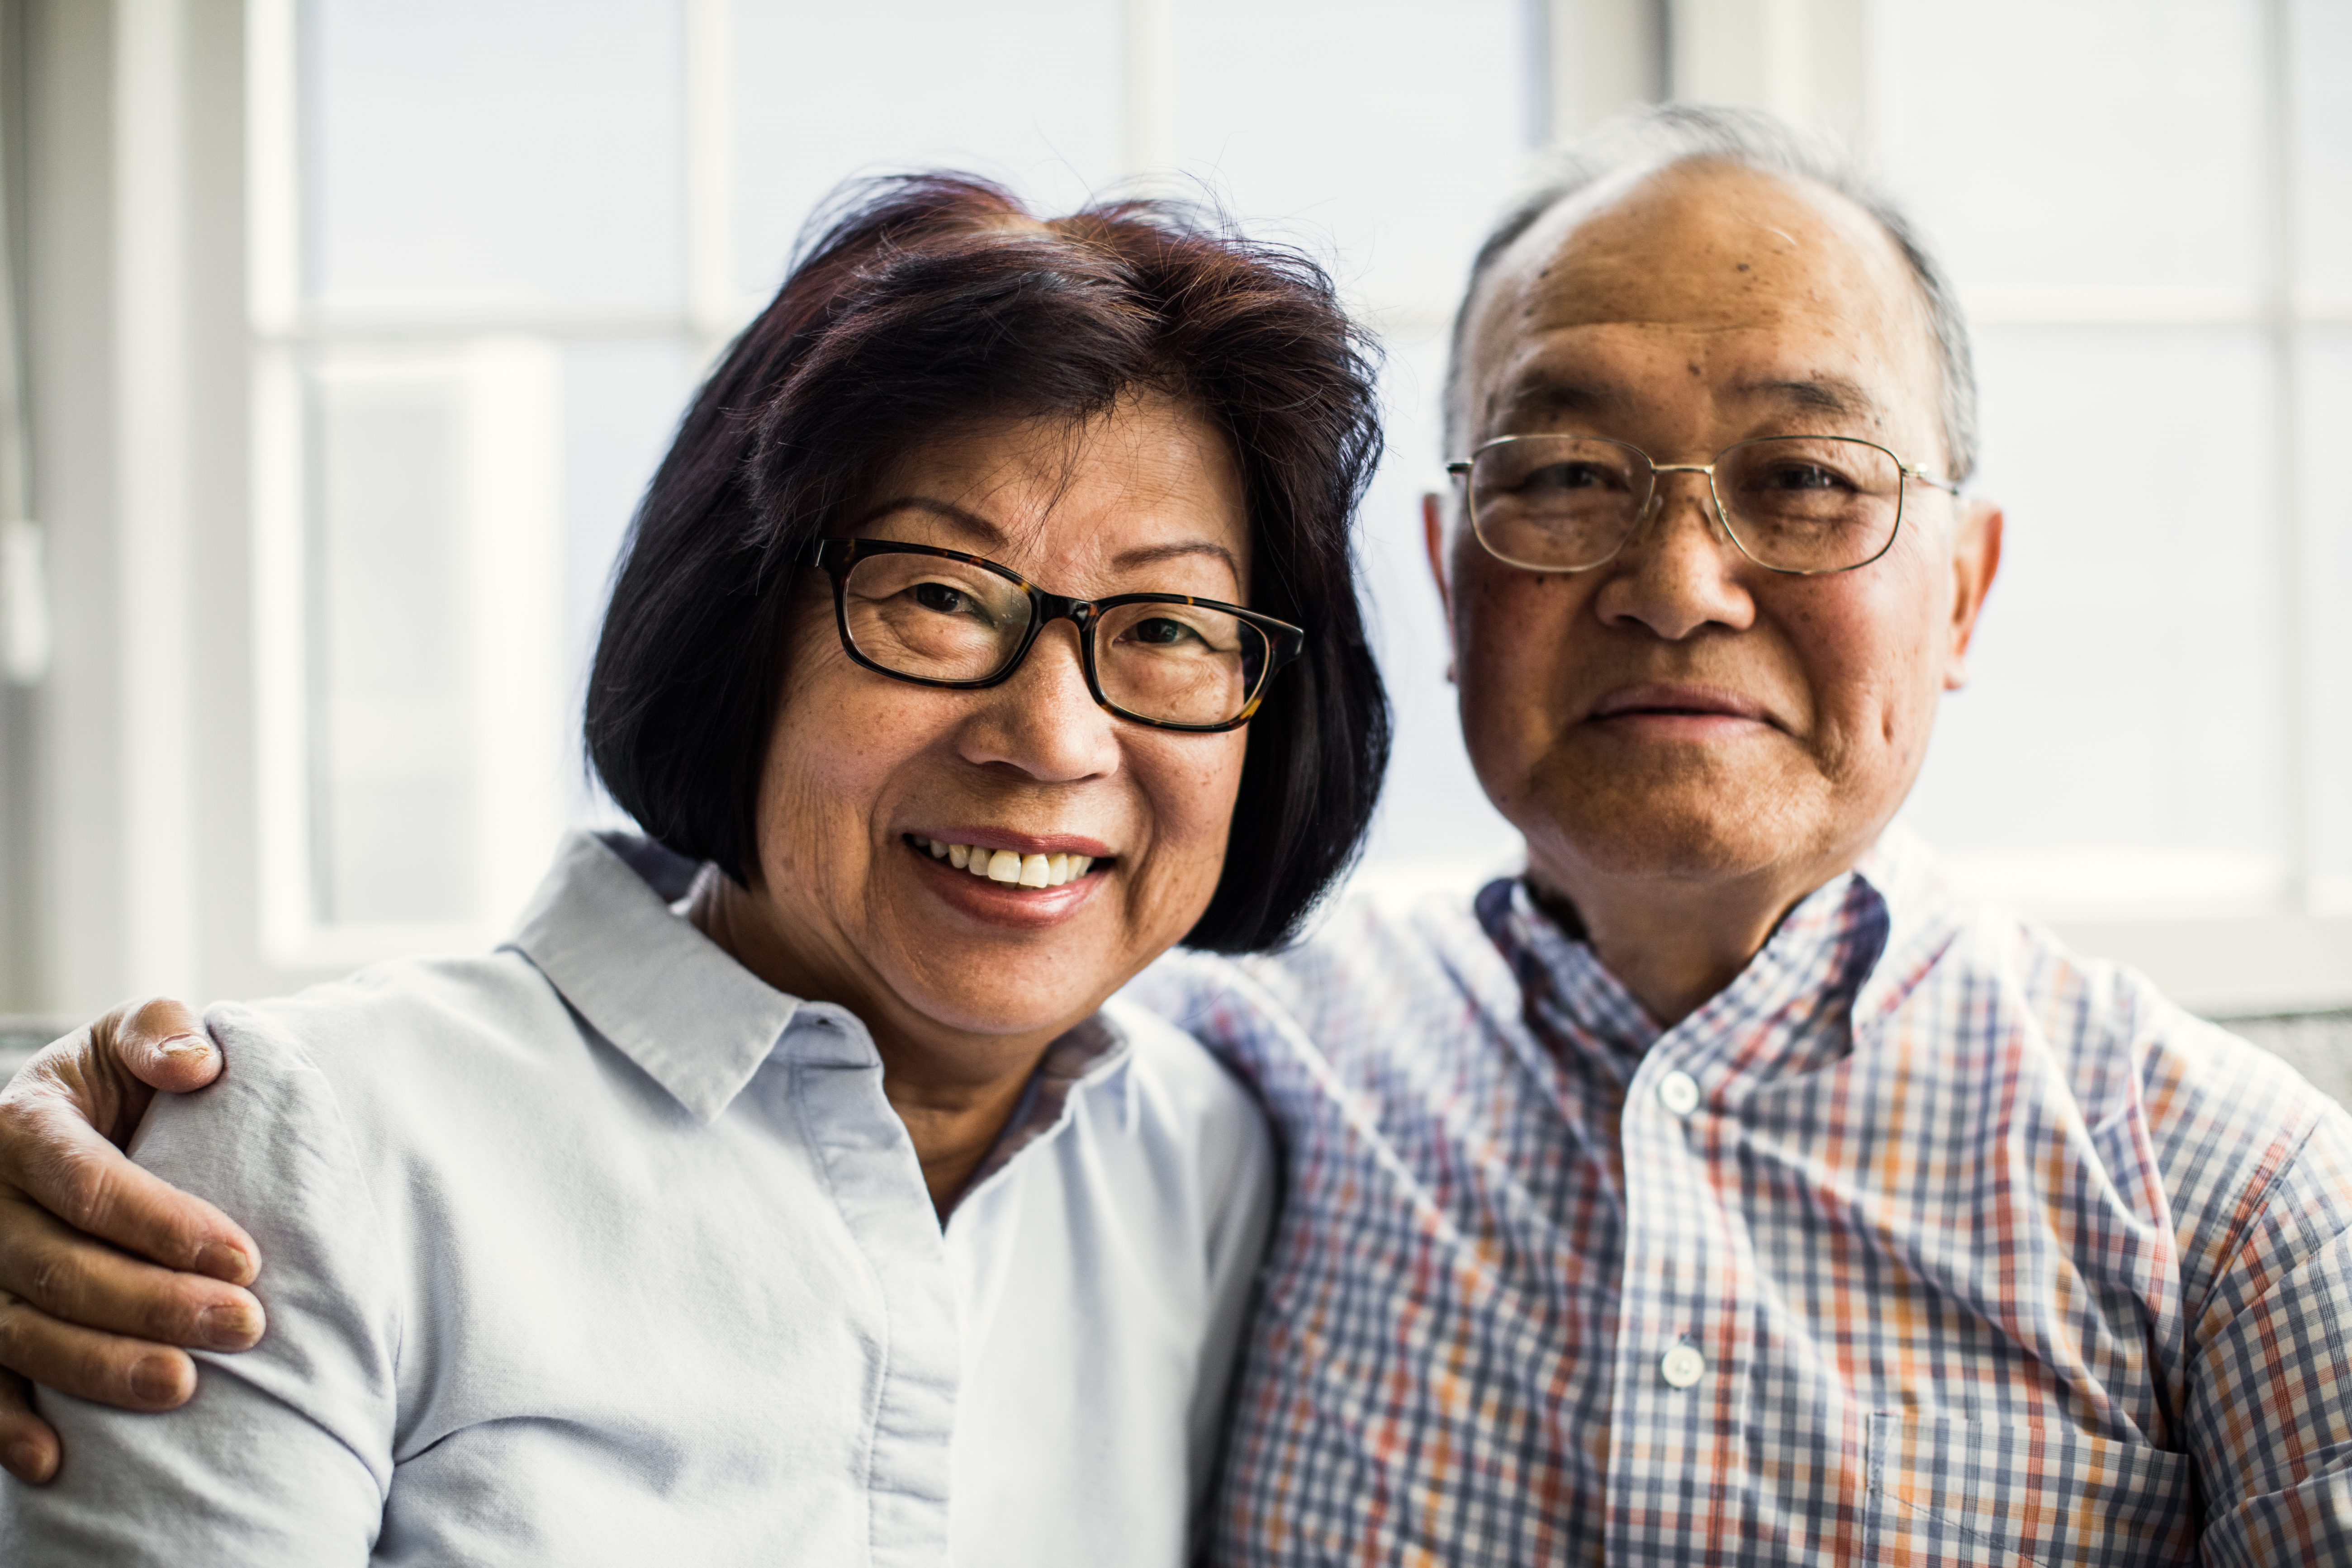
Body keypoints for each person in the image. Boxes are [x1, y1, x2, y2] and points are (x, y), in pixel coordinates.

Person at [7, 105, 2350, 1563]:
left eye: (1811, 481)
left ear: (1965, 579)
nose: (1676, 578)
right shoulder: (1274, 1069)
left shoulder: (2240, 1207)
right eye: (1559, 473)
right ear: (1450, 586)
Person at [0, 171, 1392, 1564]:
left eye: (1167, 627)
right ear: (743, 629)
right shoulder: (306, 1151)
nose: (1051, 739)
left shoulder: (1209, 1159)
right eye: (939, 596)